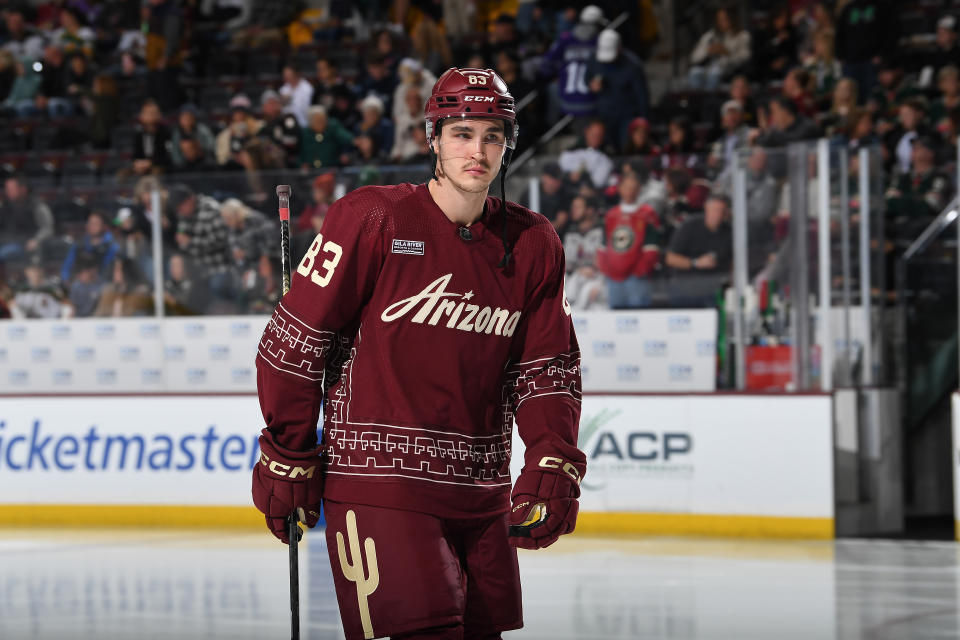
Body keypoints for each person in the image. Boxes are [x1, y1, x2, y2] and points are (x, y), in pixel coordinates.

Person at [252, 67, 585, 639]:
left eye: (492, 135)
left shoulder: (534, 242)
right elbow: (294, 342)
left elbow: (546, 368)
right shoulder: (372, 218)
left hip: (482, 491)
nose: (477, 150)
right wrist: (289, 451)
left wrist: (552, 456)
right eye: (461, 133)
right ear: (433, 137)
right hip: (381, 487)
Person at [596, 174, 663, 308]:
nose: (630, 192)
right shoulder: (611, 215)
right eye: (627, 188)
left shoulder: (647, 214)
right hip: (614, 278)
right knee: (615, 318)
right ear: (620, 189)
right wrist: (607, 270)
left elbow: (651, 248)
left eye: (633, 188)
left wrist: (639, 272)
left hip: (636, 279)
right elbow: (603, 245)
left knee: (638, 318)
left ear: (639, 191)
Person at [665, 193, 733, 307]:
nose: (717, 214)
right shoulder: (689, 226)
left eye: (721, 211)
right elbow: (670, 259)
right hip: (685, 286)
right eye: (714, 210)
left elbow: (733, 263)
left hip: (713, 288)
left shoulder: (729, 232)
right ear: (706, 209)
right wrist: (696, 263)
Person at [687, 7, 751, 89]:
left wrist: (726, 52)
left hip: (729, 69)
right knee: (695, 72)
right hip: (708, 67)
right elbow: (694, 57)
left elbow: (745, 58)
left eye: (725, 19)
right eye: (719, 20)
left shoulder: (742, 36)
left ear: (732, 19)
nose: (722, 22)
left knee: (715, 73)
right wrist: (708, 51)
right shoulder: (710, 35)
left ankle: (711, 98)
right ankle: (697, 98)